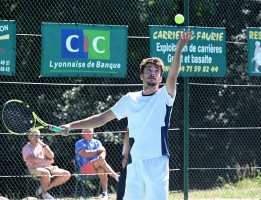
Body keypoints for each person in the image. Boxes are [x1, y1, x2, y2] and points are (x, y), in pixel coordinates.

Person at [61, 30, 192, 200]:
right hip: (134, 162)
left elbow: (173, 76)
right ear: (141, 75)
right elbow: (101, 118)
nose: (152, 73)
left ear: (160, 78)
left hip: (157, 161)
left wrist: (179, 50)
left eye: (157, 71)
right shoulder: (130, 99)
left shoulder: (164, 97)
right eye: (149, 70)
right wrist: (71, 125)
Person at [22, 130, 71, 200]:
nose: (36, 138)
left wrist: (44, 145)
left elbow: (51, 156)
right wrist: (47, 161)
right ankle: (45, 194)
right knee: (46, 173)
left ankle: (44, 189)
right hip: (35, 168)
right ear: (29, 136)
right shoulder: (26, 147)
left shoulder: (42, 145)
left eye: (38, 136)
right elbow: (31, 158)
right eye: (34, 136)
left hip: (49, 167)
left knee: (67, 174)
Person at [75, 128, 119, 200]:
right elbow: (85, 154)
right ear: (82, 134)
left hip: (97, 166)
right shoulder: (79, 143)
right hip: (85, 169)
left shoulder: (97, 142)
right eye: (86, 132)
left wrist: (102, 155)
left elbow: (103, 151)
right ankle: (116, 176)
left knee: (101, 169)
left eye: (90, 132)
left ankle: (105, 193)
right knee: (100, 161)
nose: (89, 134)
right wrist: (97, 151)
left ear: (93, 133)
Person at [116, 128, 129, 200]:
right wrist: (126, 157)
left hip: (135, 154)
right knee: (123, 179)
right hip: (130, 154)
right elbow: (127, 134)